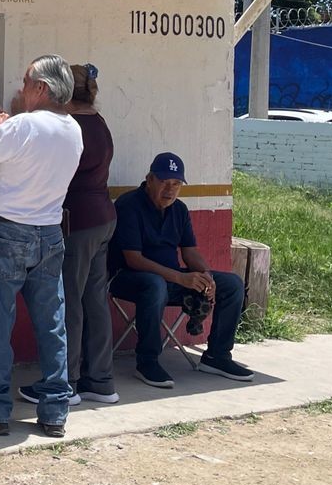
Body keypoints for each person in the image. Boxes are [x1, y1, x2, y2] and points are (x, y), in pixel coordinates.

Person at [0, 55, 83, 439]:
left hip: (7, 232)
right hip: (49, 232)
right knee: (51, 323)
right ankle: (54, 411)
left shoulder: (22, 126)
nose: (21, 88)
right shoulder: (73, 129)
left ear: (41, 88)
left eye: (26, 82)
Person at [109, 153, 254, 388]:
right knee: (154, 285)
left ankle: (217, 356)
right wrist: (180, 277)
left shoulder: (179, 209)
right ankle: (147, 361)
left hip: (171, 277)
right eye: (165, 183)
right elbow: (133, 259)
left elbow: (190, 251)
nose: (170, 190)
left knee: (232, 284)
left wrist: (206, 274)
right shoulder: (129, 205)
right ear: (150, 179)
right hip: (128, 278)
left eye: (176, 184)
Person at [23, 63, 119, 407]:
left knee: (69, 302)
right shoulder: (100, 120)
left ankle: (67, 381)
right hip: (104, 216)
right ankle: (102, 381)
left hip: (77, 220)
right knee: (95, 300)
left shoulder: (73, 125)